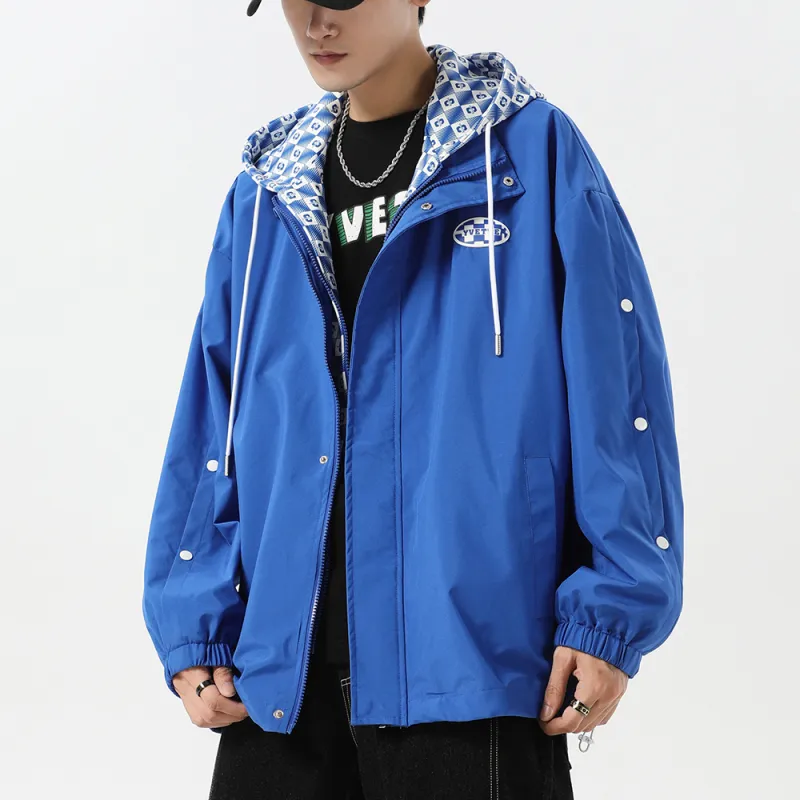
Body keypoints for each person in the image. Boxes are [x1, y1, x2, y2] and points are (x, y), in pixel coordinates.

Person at [141, 1, 684, 797]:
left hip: (469, 665)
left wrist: (610, 608)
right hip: (278, 681)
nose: (316, 22)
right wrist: (194, 619)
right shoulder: (263, 194)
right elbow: (210, 415)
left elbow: (618, 383)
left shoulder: (528, 152)